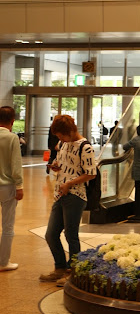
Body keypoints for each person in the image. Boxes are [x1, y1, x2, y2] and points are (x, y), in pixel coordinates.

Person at [40, 115, 97, 286]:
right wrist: (56, 166)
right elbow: (63, 163)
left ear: (71, 131)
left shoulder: (85, 147)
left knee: (71, 235)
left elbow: (91, 174)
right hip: (60, 193)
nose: (60, 139)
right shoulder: (63, 144)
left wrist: (70, 183)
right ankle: (60, 268)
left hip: (75, 195)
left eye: (62, 135)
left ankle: (73, 272)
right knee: (51, 234)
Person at [0, 106, 23, 272]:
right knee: (8, 226)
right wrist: (19, 186)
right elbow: (16, 165)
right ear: (12, 121)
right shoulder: (12, 138)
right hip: (7, 187)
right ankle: (3, 262)